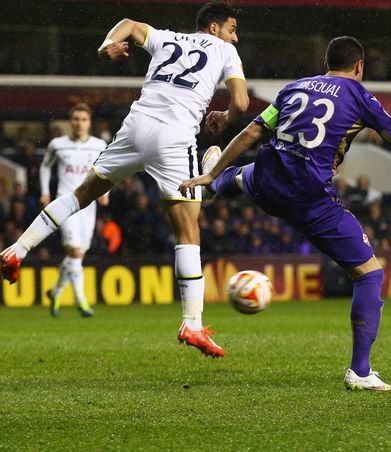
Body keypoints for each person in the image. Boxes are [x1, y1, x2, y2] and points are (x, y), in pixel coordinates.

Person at [0, 0, 249, 358]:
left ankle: (16, 250)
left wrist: (105, 49)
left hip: (136, 125)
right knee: (188, 231)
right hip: (175, 136)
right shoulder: (224, 50)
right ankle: (192, 324)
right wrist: (223, 118)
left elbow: (130, 24)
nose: (235, 37)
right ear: (215, 28)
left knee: (81, 193)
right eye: (232, 29)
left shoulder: (167, 38)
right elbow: (240, 103)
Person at [179, 36, 391, 390]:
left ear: (325, 66)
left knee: (248, 174)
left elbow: (252, 131)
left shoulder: (295, 88)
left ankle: (218, 181)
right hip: (310, 198)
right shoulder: (358, 94)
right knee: (369, 276)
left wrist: (211, 174)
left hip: (267, 178)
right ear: (359, 67)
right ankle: (360, 372)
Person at [40, 103, 109, 318]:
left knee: (77, 255)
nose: (79, 123)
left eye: (83, 119)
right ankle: (81, 301)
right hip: (65, 203)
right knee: (76, 252)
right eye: (76, 119)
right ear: (70, 122)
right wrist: (45, 192)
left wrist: (107, 192)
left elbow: (109, 168)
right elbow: (45, 166)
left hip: (88, 206)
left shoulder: (99, 145)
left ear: (90, 123)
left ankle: (55, 291)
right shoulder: (57, 145)